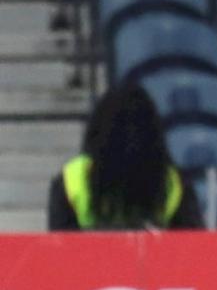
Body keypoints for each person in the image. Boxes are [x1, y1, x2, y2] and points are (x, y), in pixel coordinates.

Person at [48, 84, 203, 231]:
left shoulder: (71, 181)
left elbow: (59, 251)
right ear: (154, 135)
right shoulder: (174, 184)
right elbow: (192, 251)